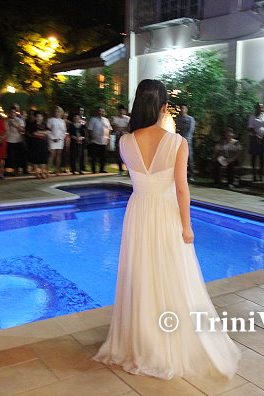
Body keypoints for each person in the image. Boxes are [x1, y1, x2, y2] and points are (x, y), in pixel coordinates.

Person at [92, 79, 241, 380]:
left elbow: (138, 176)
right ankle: (168, 340)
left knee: (141, 274)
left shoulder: (124, 142)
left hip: (139, 211)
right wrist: (187, 226)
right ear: (163, 107)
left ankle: (141, 339)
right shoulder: (177, 142)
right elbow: (182, 189)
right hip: (166, 212)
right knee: (174, 274)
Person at [247, 102, 264, 182]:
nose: (259, 108)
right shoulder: (252, 116)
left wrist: (263, 137)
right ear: (255, 108)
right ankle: (254, 175)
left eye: (261, 107)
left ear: (262, 108)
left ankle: (261, 175)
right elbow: (251, 128)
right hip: (254, 138)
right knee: (254, 157)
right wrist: (257, 136)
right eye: (258, 107)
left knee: (261, 157)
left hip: (263, 139)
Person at [87, 106, 112, 174]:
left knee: (103, 156)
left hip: (104, 141)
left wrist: (108, 139)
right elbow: (90, 129)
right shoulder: (93, 119)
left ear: (104, 112)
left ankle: (102, 169)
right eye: (99, 111)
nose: (100, 112)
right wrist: (91, 137)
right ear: (97, 112)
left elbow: (109, 130)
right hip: (95, 141)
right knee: (94, 156)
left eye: (102, 111)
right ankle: (93, 170)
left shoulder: (106, 120)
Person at [26, 111, 50, 179]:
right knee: (36, 159)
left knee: (43, 158)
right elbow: (34, 133)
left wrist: (41, 132)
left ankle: (43, 172)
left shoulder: (44, 124)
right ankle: (37, 173)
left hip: (43, 143)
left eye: (40, 116)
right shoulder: (32, 125)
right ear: (35, 117)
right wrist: (43, 133)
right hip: (35, 143)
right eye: (37, 116)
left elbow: (49, 131)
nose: (39, 118)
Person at [175, 104, 196, 181]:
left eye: (184, 108)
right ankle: (179, 173)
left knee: (189, 157)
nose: (182, 110)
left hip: (187, 141)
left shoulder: (191, 119)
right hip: (179, 140)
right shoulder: (178, 119)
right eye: (181, 108)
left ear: (186, 109)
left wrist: (186, 139)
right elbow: (177, 129)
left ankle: (191, 175)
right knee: (178, 157)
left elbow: (191, 130)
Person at [6, 107, 27, 176]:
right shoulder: (6, 120)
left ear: (16, 113)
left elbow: (23, 130)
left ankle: (17, 169)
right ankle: (10, 170)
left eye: (14, 112)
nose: (12, 113)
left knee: (18, 156)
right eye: (11, 112)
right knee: (11, 156)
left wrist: (15, 125)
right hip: (9, 140)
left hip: (18, 140)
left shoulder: (19, 120)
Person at [47, 106, 67, 175]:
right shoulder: (50, 120)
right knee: (52, 154)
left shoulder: (62, 121)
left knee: (59, 154)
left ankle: (57, 170)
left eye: (58, 112)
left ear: (60, 113)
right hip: (52, 139)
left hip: (60, 140)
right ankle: (47, 170)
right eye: (55, 111)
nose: (56, 113)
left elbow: (64, 131)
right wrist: (52, 138)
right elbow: (48, 130)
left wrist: (60, 138)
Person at [112, 104, 130, 175]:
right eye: (120, 110)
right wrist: (123, 128)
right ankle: (120, 169)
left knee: (127, 154)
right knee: (118, 153)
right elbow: (115, 128)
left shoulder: (127, 118)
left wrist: (120, 128)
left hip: (126, 137)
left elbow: (128, 128)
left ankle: (129, 170)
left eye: (123, 110)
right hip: (118, 137)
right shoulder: (115, 118)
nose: (121, 111)